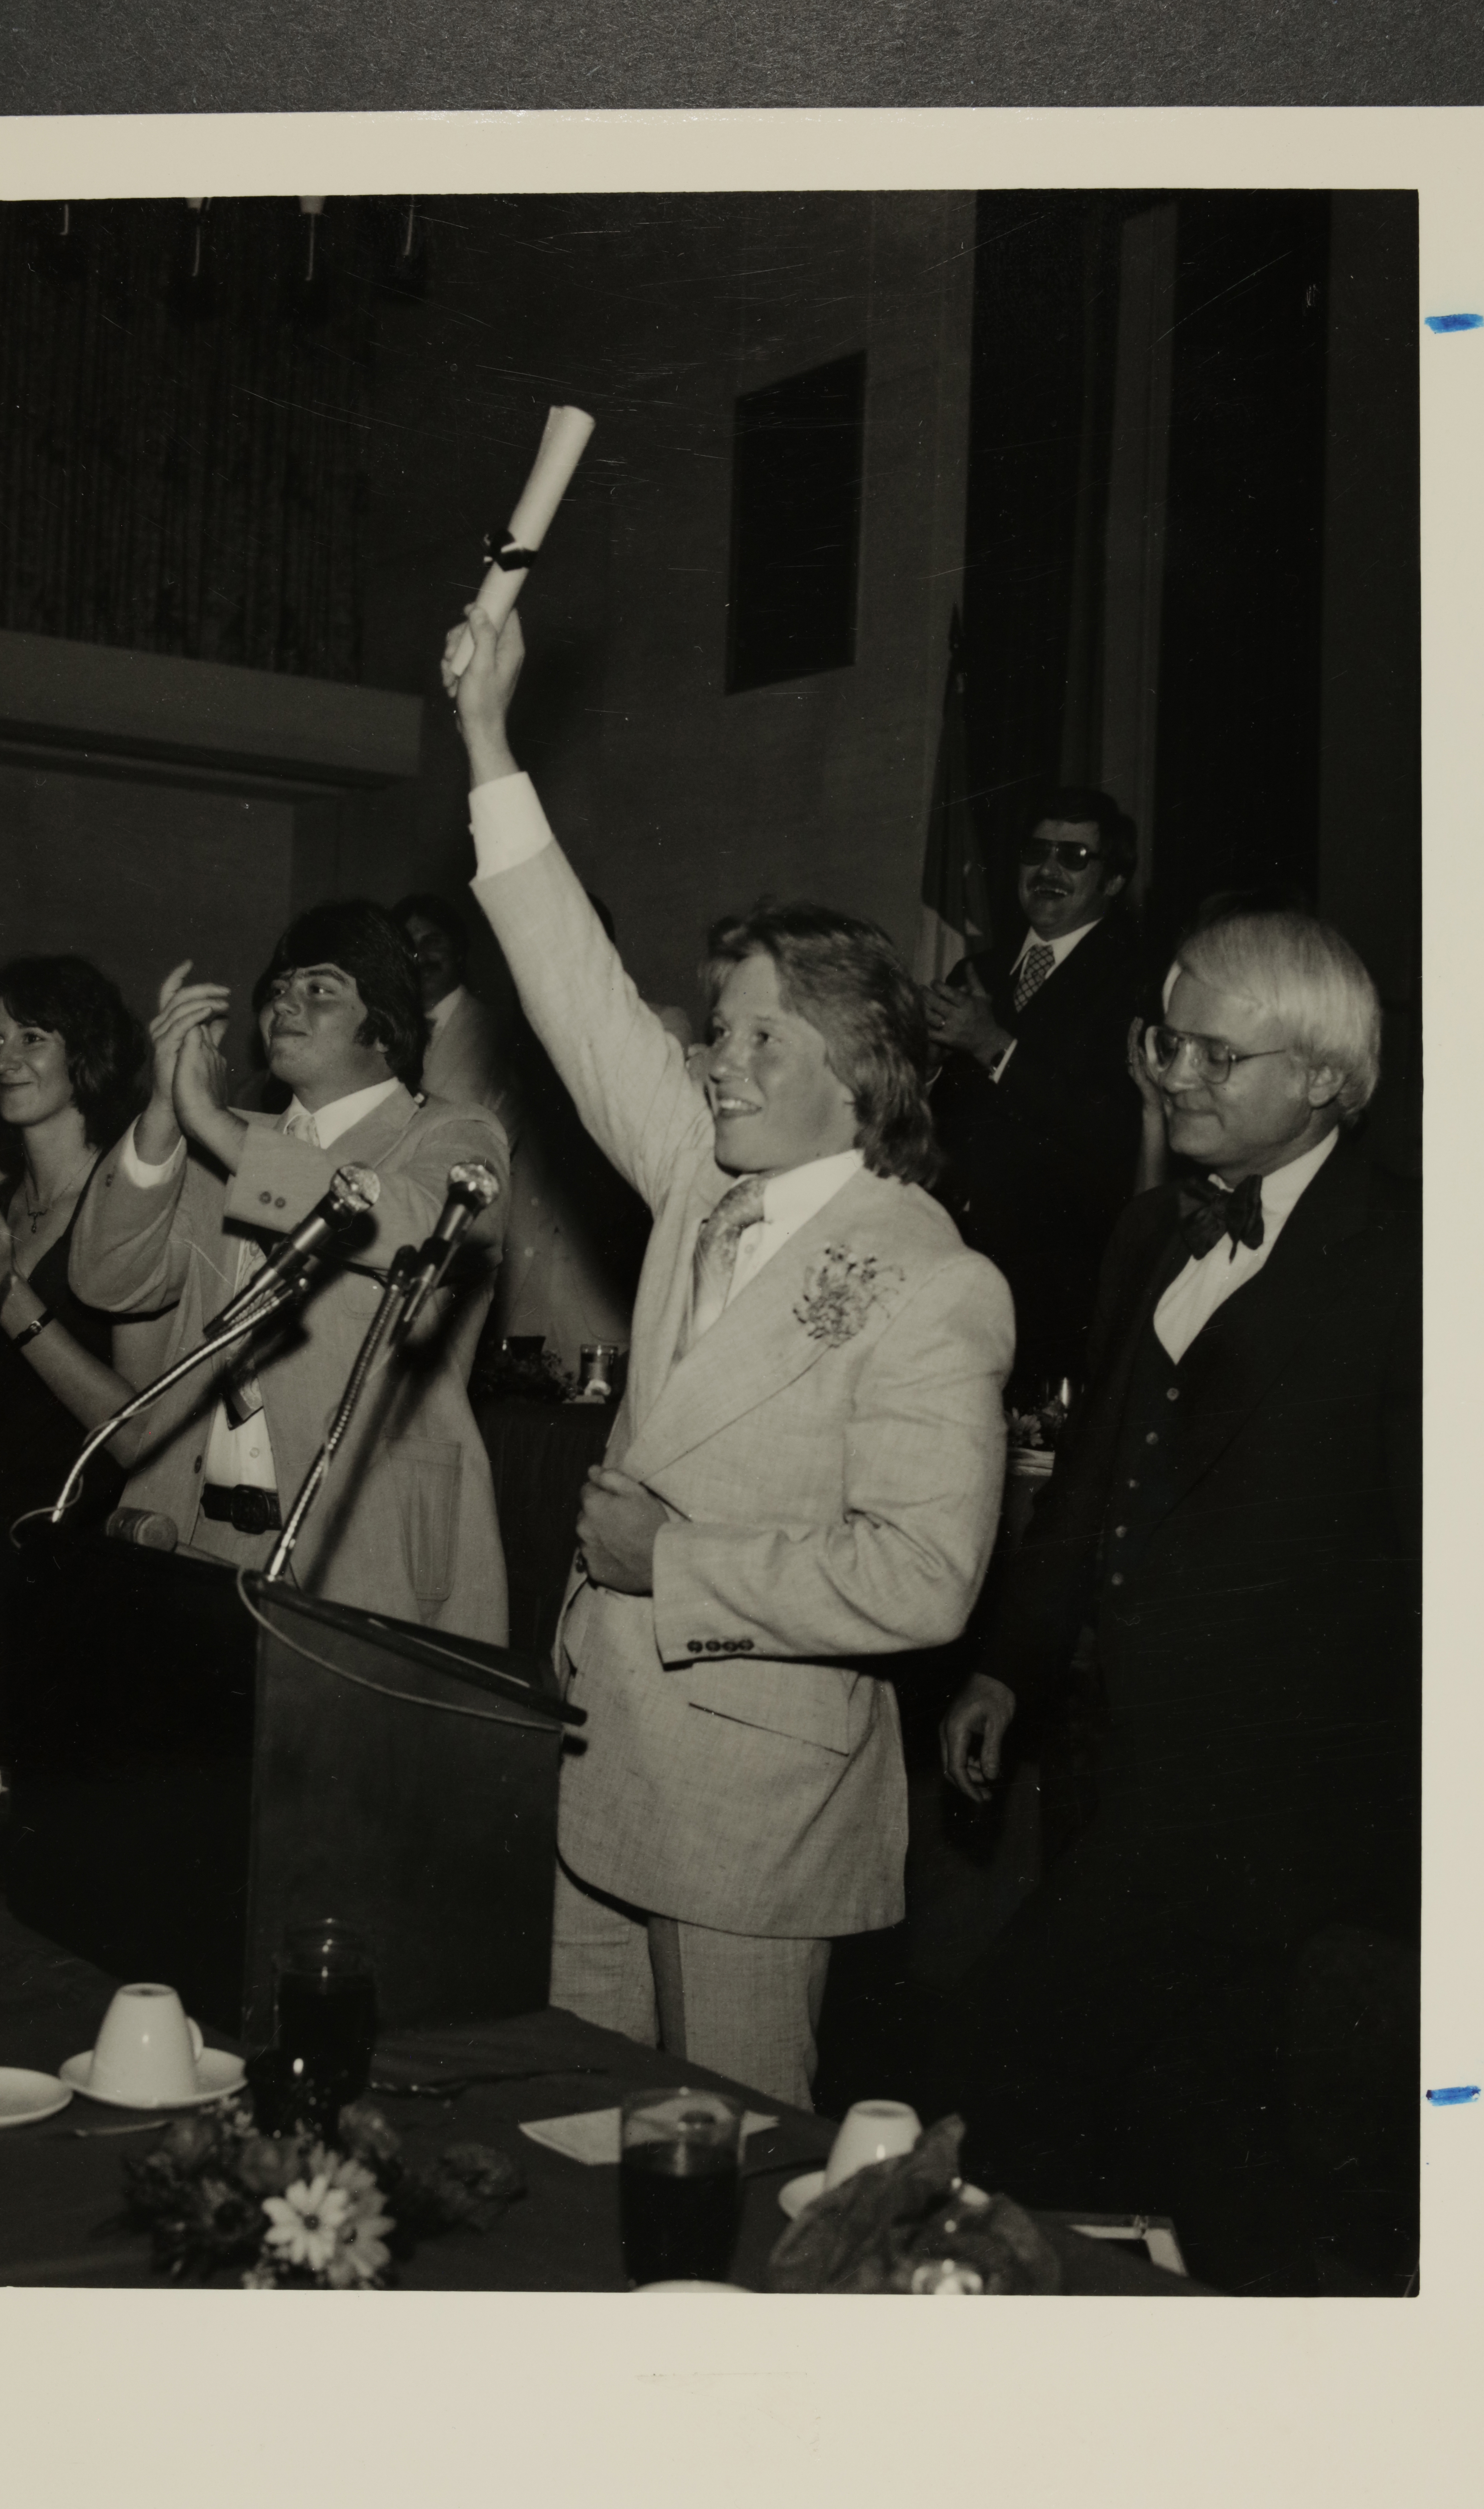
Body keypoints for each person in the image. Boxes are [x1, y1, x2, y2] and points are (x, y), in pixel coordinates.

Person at [443, 605, 1014, 2108]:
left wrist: (670, 1562)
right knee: (573, 2129)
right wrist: (489, 742)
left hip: (753, 1799)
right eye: (716, 1032)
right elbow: (567, 983)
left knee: (731, 2164)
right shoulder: (701, 1175)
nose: (718, 1064)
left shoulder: (929, 1279)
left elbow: (920, 1577)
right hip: (603, 1750)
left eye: (762, 1041)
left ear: (860, 1069)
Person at [938, 908, 1419, 2290]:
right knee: (1155, 2127)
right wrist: (1011, 1668)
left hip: (1287, 1825)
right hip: (1117, 1769)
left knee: (1037, 2075)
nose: (1177, 1075)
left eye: (1219, 1052)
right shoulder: (1152, 1228)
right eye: (1168, 1042)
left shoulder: (1406, 1260)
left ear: (1326, 1078)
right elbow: (1089, 1482)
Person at [67, 899, 512, 1641]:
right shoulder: (236, 1145)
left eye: (320, 988)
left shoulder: (453, 1134)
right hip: (195, 1534)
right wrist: (162, 1112)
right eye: (278, 989)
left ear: (387, 1022)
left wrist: (214, 1124)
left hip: (363, 1545)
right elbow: (108, 1280)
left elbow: (410, 1225)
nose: (285, 1005)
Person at [926, 788, 1148, 1393]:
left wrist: (993, 1044)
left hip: (1056, 1282)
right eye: (1036, 851)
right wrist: (924, 1064)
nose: (1048, 870)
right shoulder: (979, 970)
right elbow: (941, 1121)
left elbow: (1113, 1130)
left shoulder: (1139, 979)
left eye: (1074, 855)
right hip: (947, 1260)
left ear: (1112, 880)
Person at [0, 954, 149, 1539]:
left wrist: (6, 1294)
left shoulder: (130, 1206)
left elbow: (140, 1437)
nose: (4, 1060)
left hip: (87, 1542)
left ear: (85, 1050)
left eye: (32, 1037)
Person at [389, 889, 523, 1146]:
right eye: (410, 947)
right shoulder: (387, 1033)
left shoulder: (494, 1032)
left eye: (432, 941)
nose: (420, 957)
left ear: (458, 951)